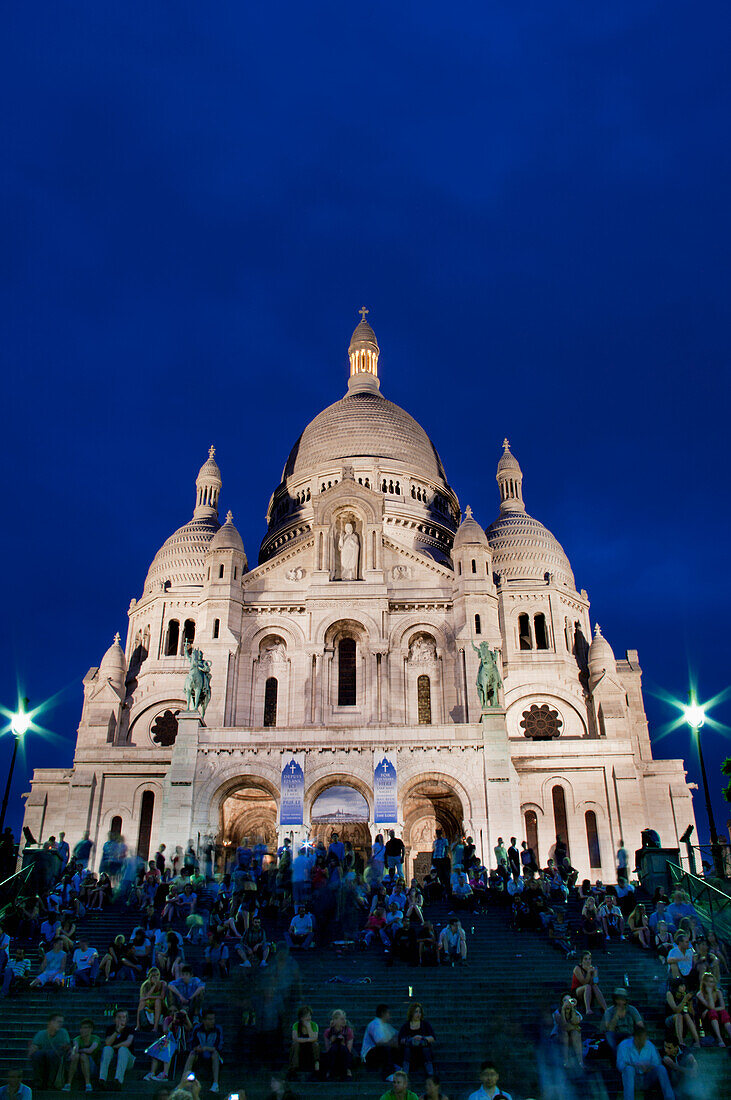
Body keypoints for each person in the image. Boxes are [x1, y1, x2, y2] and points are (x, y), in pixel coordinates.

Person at [616, 1026, 674, 1100]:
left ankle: (670, 1098)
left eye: (645, 1038)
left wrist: (648, 1067)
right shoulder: (624, 1045)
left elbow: (657, 1063)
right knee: (629, 1069)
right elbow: (620, 1065)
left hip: (647, 1078)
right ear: (636, 1038)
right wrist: (635, 1065)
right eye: (641, 1039)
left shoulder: (650, 1045)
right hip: (632, 1079)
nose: (644, 1041)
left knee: (661, 1069)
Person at [180, 1010, 223, 1092]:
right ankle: (182, 1082)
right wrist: (197, 1048)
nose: (212, 1021)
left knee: (215, 1053)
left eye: (213, 1019)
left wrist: (206, 1048)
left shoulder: (218, 1029)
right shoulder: (198, 1028)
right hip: (199, 1055)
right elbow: (192, 1044)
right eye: (210, 1019)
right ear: (204, 1020)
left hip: (212, 1056)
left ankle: (215, 1084)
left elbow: (219, 1046)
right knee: (192, 1053)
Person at [28, 1013, 71, 1090]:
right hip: (43, 1059)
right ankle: (38, 1083)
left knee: (52, 1054)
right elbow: (34, 1047)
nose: (61, 1024)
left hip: (56, 1058)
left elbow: (66, 1046)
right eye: (58, 1022)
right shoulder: (41, 1034)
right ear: (51, 1022)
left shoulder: (63, 1032)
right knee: (37, 1055)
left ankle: (50, 1084)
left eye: (61, 1022)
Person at [63, 1017, 102, 1093]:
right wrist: (74, 1051)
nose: (82, 1030)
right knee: (76, 1056)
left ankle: (88, 1083)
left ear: (91, 1029)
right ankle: (68, 1083)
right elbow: (75, 1048)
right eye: (81, 1028)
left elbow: (90, 1050)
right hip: (78, 1066)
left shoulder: (95, 1038)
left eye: (85, 1028)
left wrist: (80, 1051)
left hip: (92, 1067)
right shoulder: (77, 1039)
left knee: (83, 1056)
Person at [99, 1008, 135, 1087]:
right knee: (107, 1049)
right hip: (113, 1059)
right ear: (114, 1019)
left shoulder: (130, 1029)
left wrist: (115, 1047)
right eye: (119, 1017)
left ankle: (118, 1080)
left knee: (123, 1049)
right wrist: (117, 1031)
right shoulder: (110, 1029)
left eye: (124, 1017)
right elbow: (108, 1043)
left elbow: (128, 1043)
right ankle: (102, 1078)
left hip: (128, 1059)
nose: (121, 1019)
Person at [601, 988, 643, 1056]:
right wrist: (616, 1015)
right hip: (616, 1034)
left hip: (629, 1033)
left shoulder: (632, 1010)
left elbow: (640, 1025)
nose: (620, 1001)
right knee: (609, 1036)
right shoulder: (609, 1011)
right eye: (618, 999)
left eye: (622, 999)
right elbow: (609, 1029)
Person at [398, 1003, 435, 1080]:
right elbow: (401, 1039)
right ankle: (405, 1075)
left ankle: (430, 1074)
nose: (418, 1014)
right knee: (407, 1050)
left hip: (422, 1051)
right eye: (416, 1012)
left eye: (419, 1012)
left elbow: (433, 1037)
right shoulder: (406, 1026)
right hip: (410, 1052)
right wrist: (411, 1039)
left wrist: (422, 1038)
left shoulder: (425, 1025)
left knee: (426, 1050)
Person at [361, 1004, 398, 1079]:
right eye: (388, 1013)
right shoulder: (375, 1024)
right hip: (369, 1054)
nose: (390, 1015)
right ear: (383, 1013)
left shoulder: (386, 1025)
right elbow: (379, 1043)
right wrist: (392, 1043)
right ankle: (388, 1074)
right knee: (385, 1049)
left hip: (379, 1052)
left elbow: (396, 1034)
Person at [696, 971, 731, 1046]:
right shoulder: (700, 994)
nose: (712, 984)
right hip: (706, 1019)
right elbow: (711, 1007)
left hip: (718, 1016)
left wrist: (708, 1010)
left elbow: (722, 1007)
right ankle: (719, 1038)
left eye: (713, 982)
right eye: (710, 982)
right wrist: (709, 992)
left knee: (723, 1012)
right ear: (705, 983)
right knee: (712, 1012)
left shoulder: (718, 992)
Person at [551, 994, 583, 1069]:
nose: (567, 1002)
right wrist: (563, 1010)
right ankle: (565, 1061)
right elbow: (563, 1025)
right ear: (561, 1002)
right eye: (565, 1000)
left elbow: (575, 1021)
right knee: (565, 1034)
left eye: (569, 1000)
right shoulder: (557, 1013)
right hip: (558, 1035)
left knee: (576, 1034)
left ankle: (580, 1061)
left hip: (571, 1035)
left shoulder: (576, 1013)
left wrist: (573, 1009)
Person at [665, 979, 700, 1047]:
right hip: (671, 1018)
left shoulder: (685, 994)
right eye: (681, 986)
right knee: (679, 1015)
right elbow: (676, 1010)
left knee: (686, 1015)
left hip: (684, 1018)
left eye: (684, 985)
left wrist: (689, 1002)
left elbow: (692, 1013)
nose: (684, 987)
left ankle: (697, 1041)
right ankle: (680, 1041)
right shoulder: (669, 994)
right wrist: (684, 1000)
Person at [288, 1004, 320, 1079]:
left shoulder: (314, 1025)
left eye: (309, 1016)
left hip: (310, 1045)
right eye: (306, 1016)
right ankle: (293, 1069)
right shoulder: (296, 1025)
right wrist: (307, 1040)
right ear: (301, 1017)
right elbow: (295, 1038)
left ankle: (317, 1069)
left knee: (316, 1045)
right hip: (300, 1045)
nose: (309, 1018)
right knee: (295, 1045)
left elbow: (315, 1038)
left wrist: (308, 1027)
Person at [322, 1009, 354, 1080]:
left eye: (344, 1019)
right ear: (335, 1020)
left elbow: (349, 1049)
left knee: (342, 1048)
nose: (344, 1021)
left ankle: (347, 1070)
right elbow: (328, 1049)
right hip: (333, 1054)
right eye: (342, 1019)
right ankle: (330, 1071)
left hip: (344, 1054)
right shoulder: (328, 1031)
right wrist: (332, 1041)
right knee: (334, 1047)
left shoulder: (348, 1031)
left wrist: (343, 1043)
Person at [137, 966, 169, 1030]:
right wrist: (153, 986)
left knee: (157, 1001)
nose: (156, 977)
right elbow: (143, 998)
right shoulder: (145, 985)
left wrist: (149, 997)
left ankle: (155, 1027)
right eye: (154, 975)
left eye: (157, 975)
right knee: (142, 1003)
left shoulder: (163, 983)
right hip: (149, 1003)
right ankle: (138, 1025)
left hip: (160, 1004)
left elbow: (162, 997)